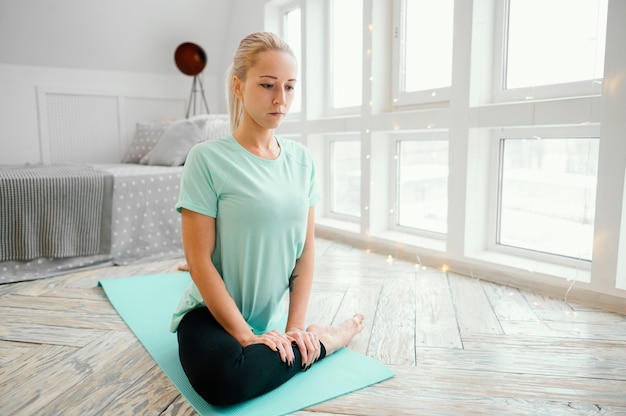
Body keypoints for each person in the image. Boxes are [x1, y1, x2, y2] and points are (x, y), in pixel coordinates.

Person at [170, 31, 365, 407]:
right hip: (208, 314)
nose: (281, 99)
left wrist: (294, 329)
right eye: (268, 85)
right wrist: (245, 337)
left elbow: (305, 254)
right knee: (224, 381)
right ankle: (328, 340)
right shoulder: (206, 159)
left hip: (269, 319)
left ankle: (309, 337)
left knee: (264, 360)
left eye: (290, 87)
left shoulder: (302, 160)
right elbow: (198, 263)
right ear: (238, 86)